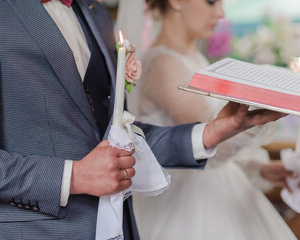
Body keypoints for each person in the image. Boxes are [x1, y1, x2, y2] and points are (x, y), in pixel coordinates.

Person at [0, 0, 285, 239]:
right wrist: (73, 176)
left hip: (121, 226)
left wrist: (212, 132)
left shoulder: (95, 13)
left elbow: (117, 136)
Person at [116, 0, 298, 239]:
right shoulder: (163, 64)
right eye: (211, 2)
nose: (220, 13)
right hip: (187, 208)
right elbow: (212, 142)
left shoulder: (198, 59)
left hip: (218, 190)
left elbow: (215, 153)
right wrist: (264, 112)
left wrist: (262, 168)